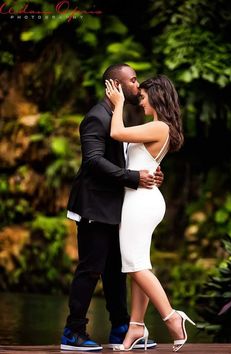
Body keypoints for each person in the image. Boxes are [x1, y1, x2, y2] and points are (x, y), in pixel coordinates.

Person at [60, 64, 164, 351]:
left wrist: (149, 172)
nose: (137, 84)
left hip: (115, 207)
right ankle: (73, 332)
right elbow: (93, 161)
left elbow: (124, 158)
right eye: (132, 80)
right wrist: (134, 178)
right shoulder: (96, 117)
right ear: (115, 85)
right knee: (90, 269)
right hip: (93, 205)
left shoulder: (115, 115)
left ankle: (121, 328)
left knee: (116, 270)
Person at [105, 75, 196, 352]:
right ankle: (136, 327)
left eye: (143, 95)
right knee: (138, 263)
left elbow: (117, 133)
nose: (140, 100)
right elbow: (139, 159)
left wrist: (118, 103)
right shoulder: (157, 127)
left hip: (140, 202)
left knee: (134, 264)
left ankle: (171, 318)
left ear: (156, 96)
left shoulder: (158, 126)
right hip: (142, 197)